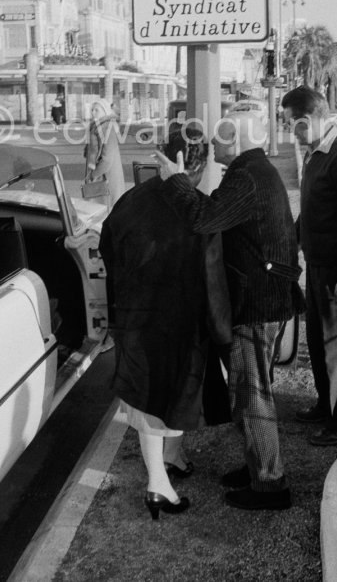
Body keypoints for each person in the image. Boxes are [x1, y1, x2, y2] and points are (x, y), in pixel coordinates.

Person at [153, 112, 304, 512]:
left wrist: (174, 181)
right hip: (268, 298)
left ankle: (270, 485)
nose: (214, 146)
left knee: (251, 397)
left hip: (256, 303)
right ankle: (260, 467)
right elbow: (219, 210)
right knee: (253, 393)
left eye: (220, 139)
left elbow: (204, 219)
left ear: (234, 141)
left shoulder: (246, 176)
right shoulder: (255, 170)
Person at [99, 130, 232, 521]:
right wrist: (223, 333)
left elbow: (109, 248)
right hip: (182, 322)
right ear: (200, 164)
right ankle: (157, 484)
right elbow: (212, 280)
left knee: (146, 395)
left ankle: (170, 458)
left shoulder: (130, 200)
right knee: (174, 396)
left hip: (136, 316)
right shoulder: (199, 211)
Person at [281, 86, 337, 446]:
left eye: (296, 125)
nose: (293, 133)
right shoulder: (315, 154)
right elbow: (313, 209)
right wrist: (290, 238)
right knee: (319, 343)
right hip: (317, 267)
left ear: (315, 118)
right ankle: (326, 404)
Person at [84, 99, 125, 207]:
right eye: (92, 110)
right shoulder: (96, 127)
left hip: (106, 177)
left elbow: (107, 159)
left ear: (105, 111)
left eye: (96, 110)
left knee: (104, 210)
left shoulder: (107, 128)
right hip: (99, 175)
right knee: (97, 209)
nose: (93, 112)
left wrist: (93, 175)